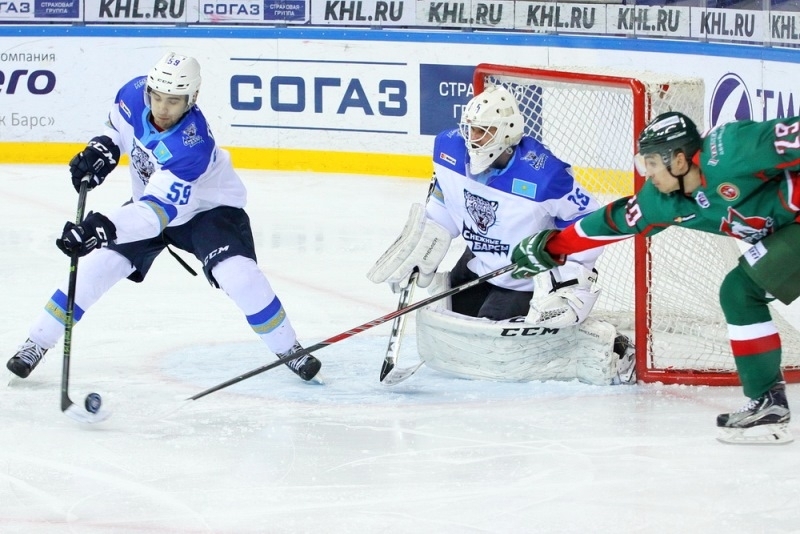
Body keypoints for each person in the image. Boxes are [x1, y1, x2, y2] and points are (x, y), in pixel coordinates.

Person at [6, 52, 321, 383]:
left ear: (192, 98)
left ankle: (289, 348)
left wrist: (101, 228)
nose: (162, 108)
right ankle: (36, 342)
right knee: (96, 269)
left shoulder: (192, 145)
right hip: (149, 203)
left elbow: (154, 216)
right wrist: (102, 150)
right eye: (157, 97)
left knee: (240, 277)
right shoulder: (132, 94)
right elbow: (117, 130)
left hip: (207, 211)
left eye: (173, 101)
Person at [511, 110, 800, 443]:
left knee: (739, 291)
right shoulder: (661, 201)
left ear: (678, 160)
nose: (647, 173)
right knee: (739, 292)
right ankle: (767, 404)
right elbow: (612, 222)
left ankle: (768, 403)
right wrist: (553, 247)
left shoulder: (734, 148)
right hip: (788, 233)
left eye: (651, 163)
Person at [368, 85, 635, 386]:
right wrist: (427, 240)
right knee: (458, 329)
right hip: (478, 262)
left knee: (493, 348)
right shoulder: (448, 148)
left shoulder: (544, 175)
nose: (473, 138)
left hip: (522, 273)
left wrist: (571, 275)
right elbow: (445, 200)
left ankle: (609, 344)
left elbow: (587, 218)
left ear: (507, 132)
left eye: (483, 131)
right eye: (470, 129)